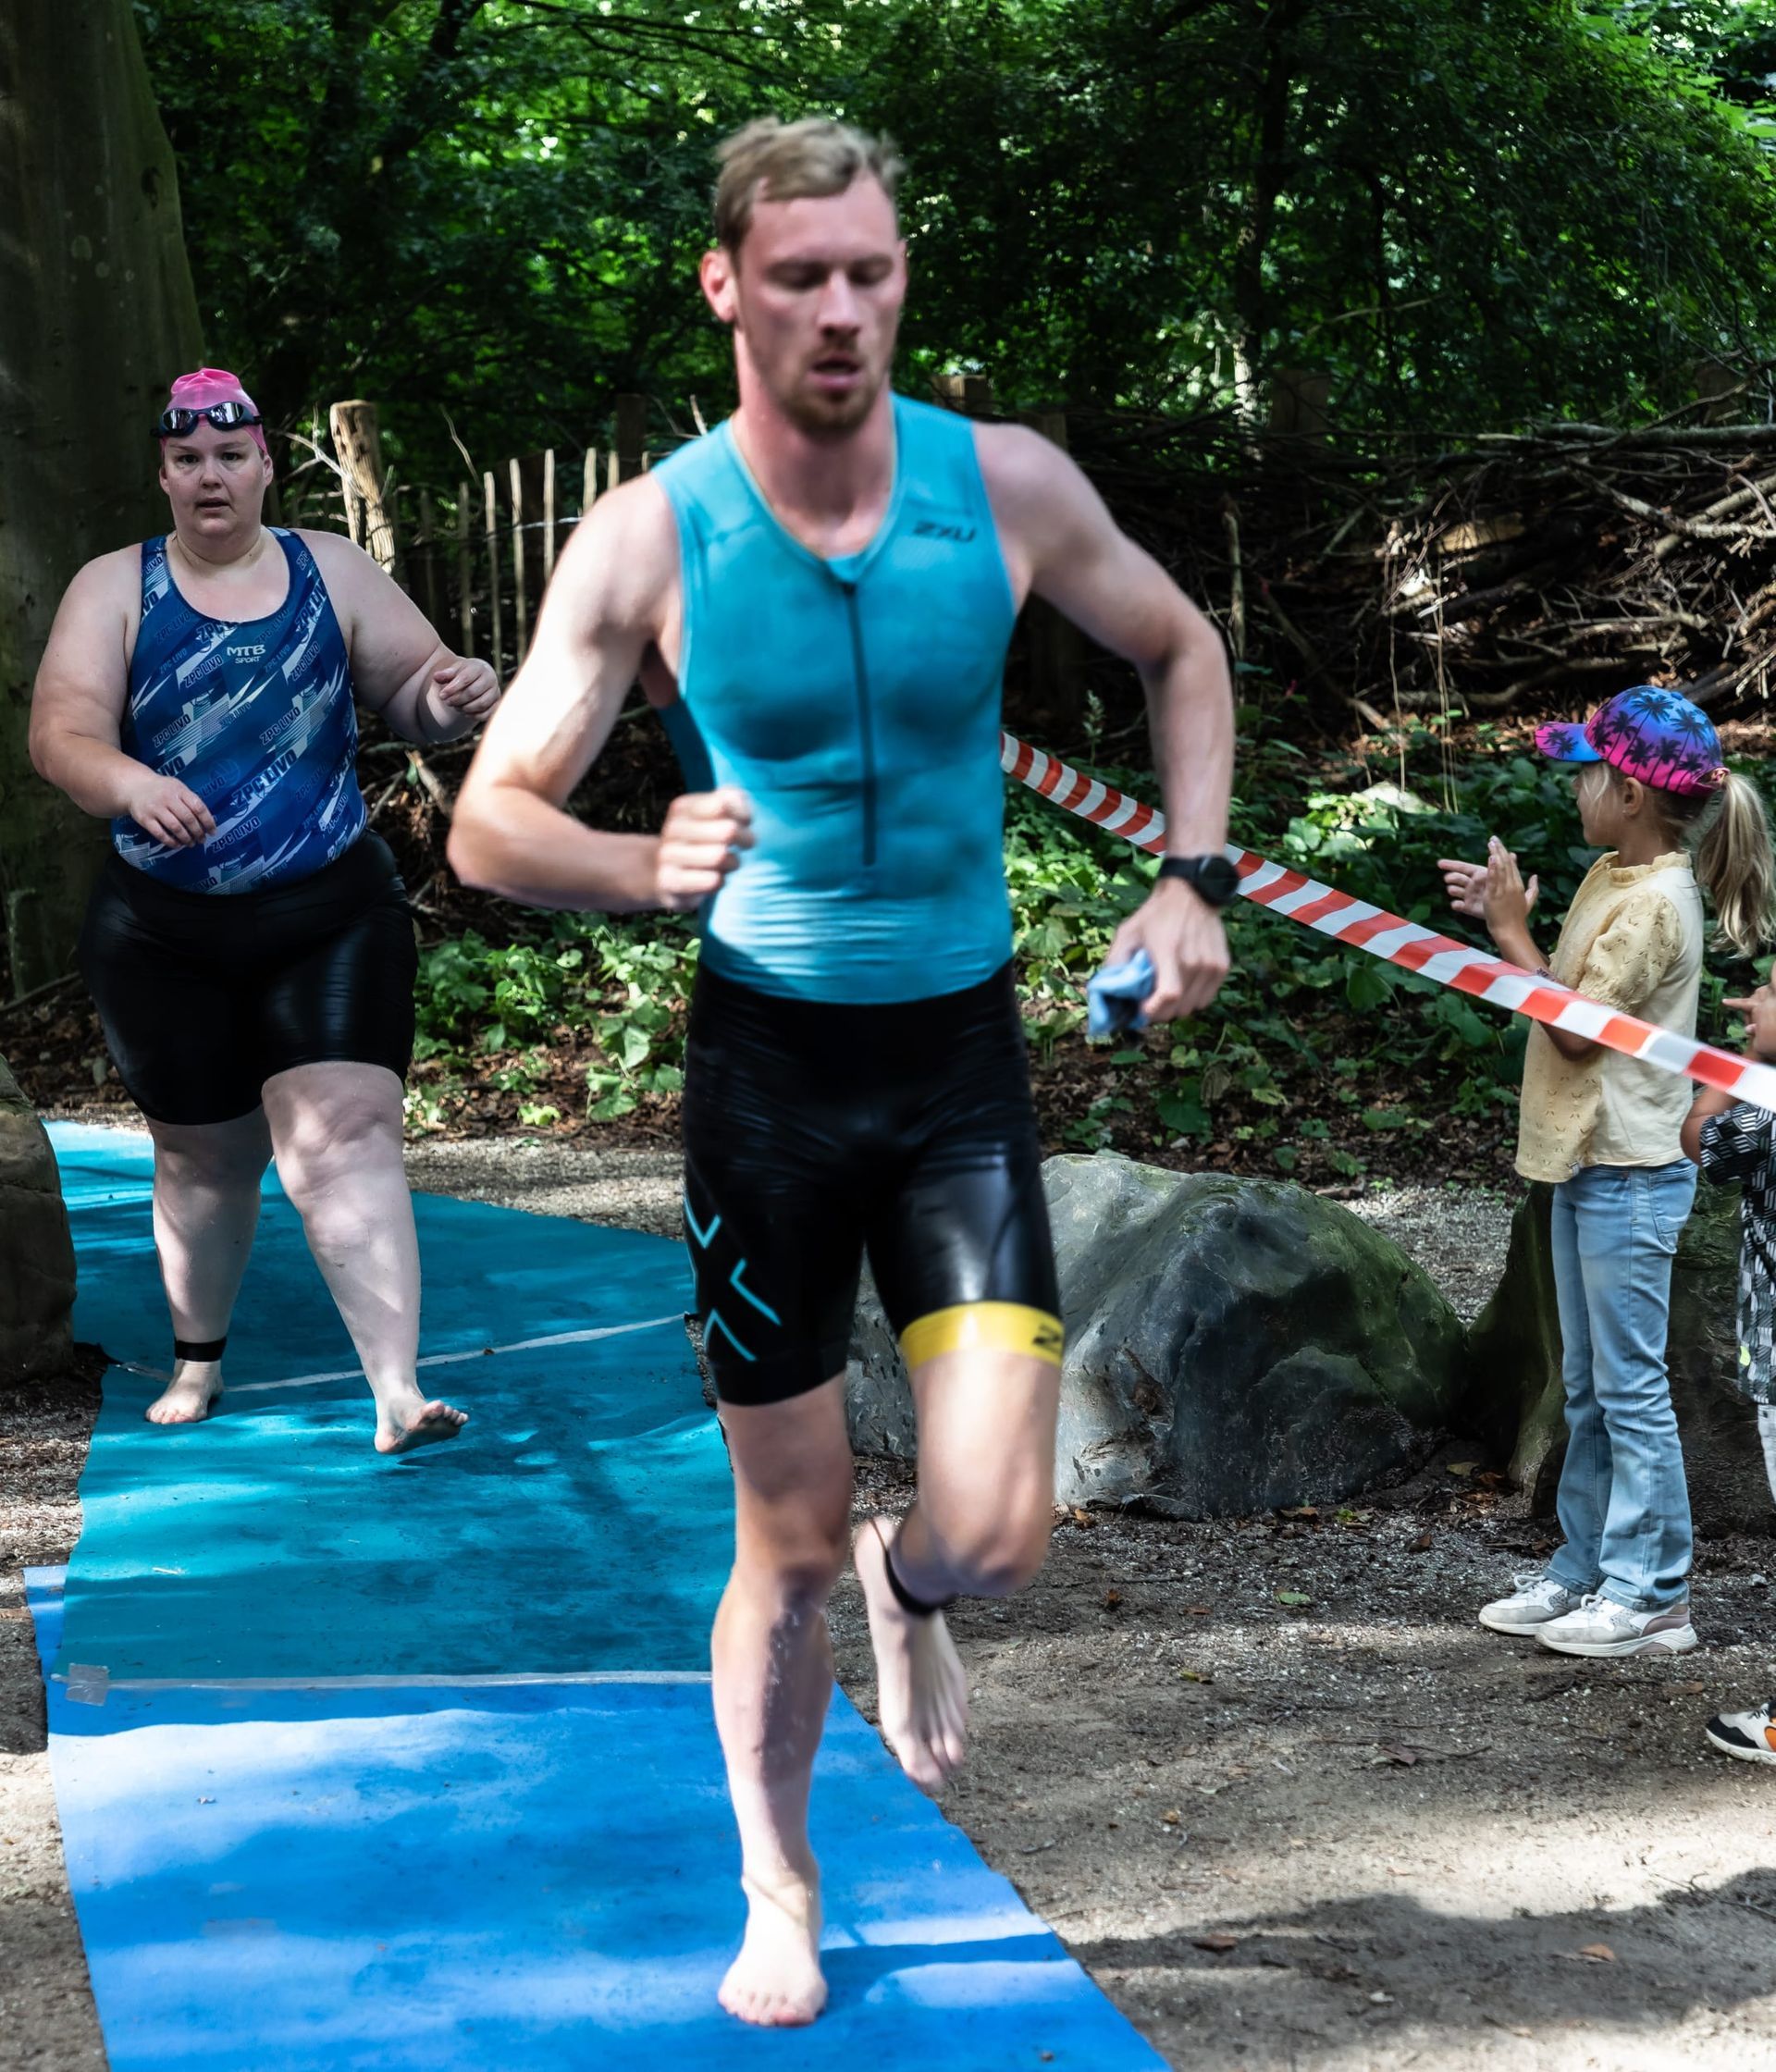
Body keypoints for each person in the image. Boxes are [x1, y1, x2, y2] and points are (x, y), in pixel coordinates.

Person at [448, 117, 1235, 2027]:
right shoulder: (654, 533)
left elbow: (1179, 648)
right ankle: (781, 1879)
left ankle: (921, 1588)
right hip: (771, 1079)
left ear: (900, 280)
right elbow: (487, 824)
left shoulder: (1008, 484)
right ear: (728, 285)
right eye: (800, 275)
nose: (841, 310)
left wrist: (1192, 877)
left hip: (958, 1063)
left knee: (996, 1527)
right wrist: (642, 864)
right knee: (777, 1548)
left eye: (870, 273)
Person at [31, 367, 498, 1453]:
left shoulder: (325, 567)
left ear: (265, 467)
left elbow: (416, 691)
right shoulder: (114, 587)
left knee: (344, 1135)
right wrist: (132, 785)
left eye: (231, 458)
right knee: (206, 1156)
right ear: (163, 474)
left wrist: (452, 692)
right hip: (163, 928)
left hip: (327, 910)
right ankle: (201, 1355)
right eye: (189, 460)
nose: (211, 478)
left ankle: (397, 1391)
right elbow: (59, 733)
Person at [1439, 686, 1774, 1658]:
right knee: (1584, 1384)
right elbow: (1571, 994)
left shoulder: (1660, 904)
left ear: (1628, 792)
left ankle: (1654, 1590)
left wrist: (1510, 933)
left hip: (1632, 1171)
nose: (1575, 785)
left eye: (1586, 772)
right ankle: (1586, 1566)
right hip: (1588, 1161)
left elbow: (1577, 1037)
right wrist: (1514, 927)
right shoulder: (1608, 875)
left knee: (1628, 1387)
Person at [1683, 982, 1776, 1764]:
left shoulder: (1765, 1112)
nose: (1752, 1000)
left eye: (1770, 993)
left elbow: (1702, 1139)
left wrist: (1750, 1058)